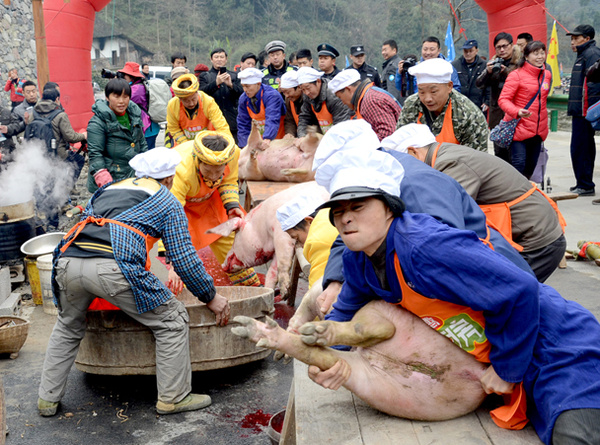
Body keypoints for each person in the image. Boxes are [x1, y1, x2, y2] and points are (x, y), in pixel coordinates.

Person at [310, 145, 600, 445]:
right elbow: (343, 314)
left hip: (556, 346)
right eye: (338, 211)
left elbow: (521, 289)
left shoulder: (424, 246)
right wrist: (328, 360)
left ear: (389, 208)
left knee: (577, 436)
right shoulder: (358, 260)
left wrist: (506, 368)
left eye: (358, 207)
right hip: (509, 359)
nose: (346, 219)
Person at [37, 147, 230, 417]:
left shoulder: (108, 189)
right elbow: (184, 258)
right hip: (112, 267)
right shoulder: (166, 199)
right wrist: (211, 297)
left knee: (67, 326)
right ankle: (173, 398)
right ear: (167, 179)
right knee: (172, 320)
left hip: (68, 262)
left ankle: (47, 400)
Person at [314, 120, 533, 318]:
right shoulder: (368, 187)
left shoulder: (415, 183)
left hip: (493, 287)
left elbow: (445, 254)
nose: (346, 218)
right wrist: (336, 279)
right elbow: (348, 235)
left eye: (356, 206)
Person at [395, 123, 566, 282]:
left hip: (536, 243)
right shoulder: (444, 154)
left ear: (413, 152)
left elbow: (448, 217)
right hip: (529, 235)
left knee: (504, 298)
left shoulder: (450, 164)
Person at [169, 132, 260, 287]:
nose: (213, 177)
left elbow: (229, 180)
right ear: (198, 161)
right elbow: (170, 216)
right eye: (208, 171)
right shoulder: (180, 170)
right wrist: (174, 259)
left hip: (212, 200)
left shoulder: (232, 156)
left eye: (218, 172)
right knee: (183, 256)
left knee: (231, 244)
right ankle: (183, 298)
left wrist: (231, 205)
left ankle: (252, 287)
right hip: (181, 209)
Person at [397, 58, 489, 151]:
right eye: (422, 92)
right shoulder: (411, 105)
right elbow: (399, 146)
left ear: (449, 86)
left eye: (433, 91)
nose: (427, 99)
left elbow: (475, 160)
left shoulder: (468, 114)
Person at [498, 41, 552, 179]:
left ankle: (524, 196)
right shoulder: (516, 75)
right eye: (536, 53)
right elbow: (503, 100)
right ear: (526, 56)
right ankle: (513, 196)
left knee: (530, 167)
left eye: (542, 53)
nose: (540, 57)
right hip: (519, 128)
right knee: (518, 165)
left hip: (538, 130)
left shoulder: (547, 74)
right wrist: (517, 111)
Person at [87, 78, 147, 193]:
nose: (121, 101)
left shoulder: (134, 115)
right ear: (107, 97)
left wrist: (145, 166)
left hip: (132, 177)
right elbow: (95, 153)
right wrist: (103, 178)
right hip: (111, 178)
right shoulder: (98, 122)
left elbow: (141, 142)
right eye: (116, 96)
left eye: (125, 97)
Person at [565, 24, 600, 196]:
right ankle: (582, 182)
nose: (572, 42)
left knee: (583, 148)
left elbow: (594, 84)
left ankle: (586, 185)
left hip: (586, 111)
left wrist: (592, 112)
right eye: (571, 39)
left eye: (576, 38)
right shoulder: (582, 55)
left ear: (587, 38)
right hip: (579, 110)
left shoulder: (592, 54)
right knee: (579, 147)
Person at [476, 32, 521, 161]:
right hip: (497, 116)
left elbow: (521, 81)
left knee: (517, 156)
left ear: (512, 45)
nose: (502, 50)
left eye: (505, 46)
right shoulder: (493, 63)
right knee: (500, 156)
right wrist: (488, 72)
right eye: (498, 47)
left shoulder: (520, 63)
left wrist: (505, 71)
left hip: (515, 115)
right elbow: (479, 84)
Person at [329, 69, 401, 141]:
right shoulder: (368, 96)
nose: (343, 102)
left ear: (348, 90)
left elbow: (387, 135)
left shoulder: (371, 101)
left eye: (340, 97)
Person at [166, 73, 231, 147]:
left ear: (197, 93)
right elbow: (173, 128)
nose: (191, 104)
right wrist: (187, 144)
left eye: (193, 99)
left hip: (207, 143)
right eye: (186, 101)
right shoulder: (173, 105)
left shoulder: (208, 102)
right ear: (179, 99)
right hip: (184, 144)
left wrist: (229, 145)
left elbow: (221, 126)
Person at [199, 48, 243, 143]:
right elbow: (201, 93)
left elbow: (241, 93)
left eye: (222, 57)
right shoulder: (205, 76)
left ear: (226, 59)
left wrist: (231, 85)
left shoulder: (235, 75)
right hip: (211, 121)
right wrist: (216, 83)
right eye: (216, 57)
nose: (219, 59)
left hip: (232, 120)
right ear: (211, 59)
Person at [237, 68, 286, 147]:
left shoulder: (272, 95)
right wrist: (245, 146)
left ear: (258, 84)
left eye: (248, 86)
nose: (245, 90)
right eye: (243, 86)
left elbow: (272, 118)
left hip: (279, 140)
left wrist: (268, 138)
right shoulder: (243, 99)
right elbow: (243, 125)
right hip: (260, 142)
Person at [118, 62, 161, 150]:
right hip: (150, 128)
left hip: (147, 128)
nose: (123, 77)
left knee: (146, 158)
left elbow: (121, 100)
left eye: (124, 75)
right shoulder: (139, 85)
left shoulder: (136, 89)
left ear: (131, 76)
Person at [297, 67, 351, 137]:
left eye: (308, 88)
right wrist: (302, 137)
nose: (306, 92)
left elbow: (341, 125)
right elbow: (304, 118)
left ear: (318, 82)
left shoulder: (333, 96)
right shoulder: (308, 96)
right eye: (303, 89)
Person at [451, 40, 489, 114]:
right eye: (465, 51)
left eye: (471, 51)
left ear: (476, 51)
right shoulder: (455, 65)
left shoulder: (484, 65)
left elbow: (488, 85)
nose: (468, 53)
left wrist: (487, 102)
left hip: (479, 104)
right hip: (460, 105)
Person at [279, 70, 310, 137]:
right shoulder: (289, 100)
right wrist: (290, 133)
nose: (286, 95)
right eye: (284, 92)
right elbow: (289, 120)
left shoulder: (309, 98)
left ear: (299, 87)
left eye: (288, 92)